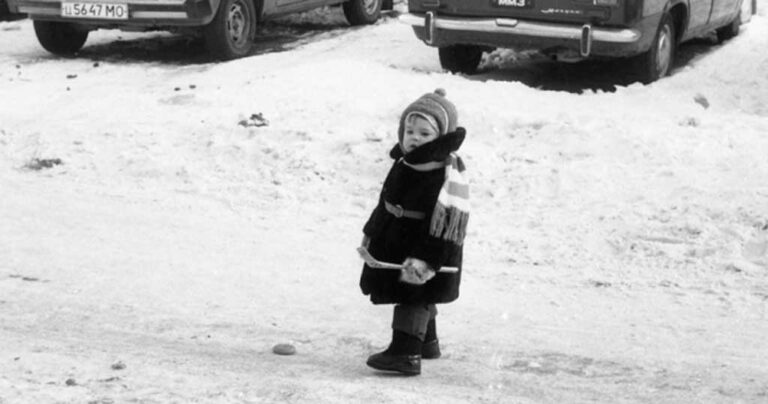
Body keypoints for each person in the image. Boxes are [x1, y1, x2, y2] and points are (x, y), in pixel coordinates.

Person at [359, 88, 469, 376]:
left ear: (441, 136)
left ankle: (405, 352)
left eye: (424, 133)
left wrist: (426, 259)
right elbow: (386, 201)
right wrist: (372, 232)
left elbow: (444, 224)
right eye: (410, 130)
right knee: (418, 292)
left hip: (426, 246)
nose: (414, 138)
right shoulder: (406, 162)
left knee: (414, 294)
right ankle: (427, 342)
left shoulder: (442, 175)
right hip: (398, 239)